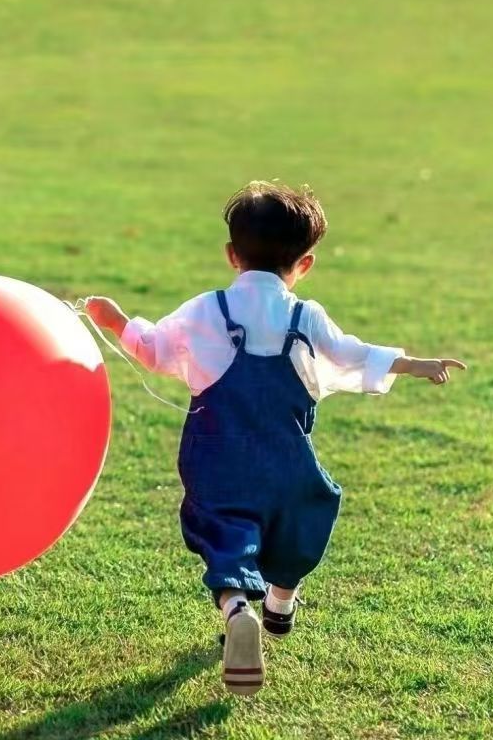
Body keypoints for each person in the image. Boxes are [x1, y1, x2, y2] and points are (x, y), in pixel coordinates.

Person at [85, 180, 466, 696]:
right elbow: (353, 354)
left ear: (231, 255)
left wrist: (117, 321)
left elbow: (153, 351)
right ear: (305, 264)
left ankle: (237, 609)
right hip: (286, 459)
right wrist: (414, 363)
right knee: (303, 519)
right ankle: (281, 600)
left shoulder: (208, 309)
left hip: (215, 460)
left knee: (226, 536)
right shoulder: (306, 318)